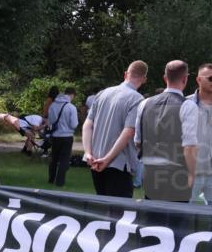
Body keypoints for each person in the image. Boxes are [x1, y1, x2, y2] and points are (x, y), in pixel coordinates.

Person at [82, 60, 147, 198]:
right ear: (144, 79)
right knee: (118, 213)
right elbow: (128, 132)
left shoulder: (103, 93)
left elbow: (87, 124)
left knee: (103, 209)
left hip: (94, 161)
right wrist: (107, 159)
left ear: (125, 74)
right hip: (118, 163)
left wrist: (88, 153)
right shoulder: (137, 99)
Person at [136, 62, 190, 202]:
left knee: (151, 221)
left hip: (152, 174)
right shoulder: (189, 106)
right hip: (179, 175)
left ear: (165, 78)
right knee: (177, 221)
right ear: (185, 79)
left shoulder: (144, 103)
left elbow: (138, 141)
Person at [181, 63, 212, 205]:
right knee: (184, 217)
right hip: (190, 173)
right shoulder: (185, 104)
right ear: (199, 80)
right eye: (210, 78)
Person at [46, 87, 78, 187]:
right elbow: (74, 124)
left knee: (54, 159)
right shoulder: (71, 107)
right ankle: (60, 182)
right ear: (72, 95)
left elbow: (50, 122)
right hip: (67, 136)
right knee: (64, 160)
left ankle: (51, 179)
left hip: (55, 136)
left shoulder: (53, 105)